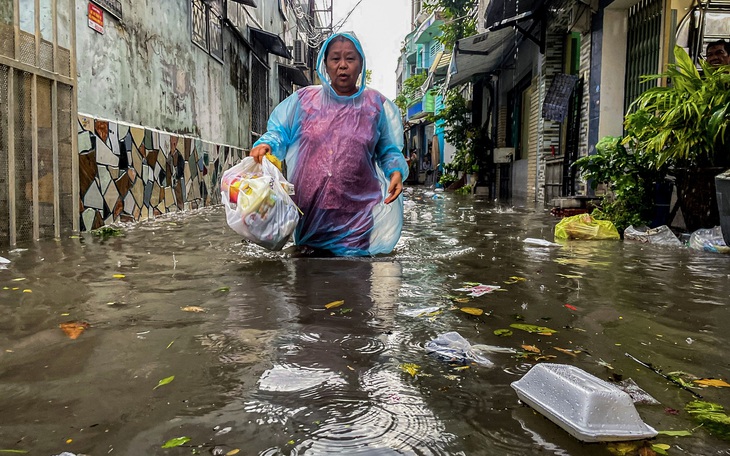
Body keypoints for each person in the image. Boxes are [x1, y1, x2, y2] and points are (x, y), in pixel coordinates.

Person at [249, 32, 408, 256]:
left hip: (358, 214)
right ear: (325, 64)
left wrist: (396, 173)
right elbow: (279, 132)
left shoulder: (375, 106)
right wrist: (267, 144)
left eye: (350, 59)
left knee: (355, 280)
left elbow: (388, 150)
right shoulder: (304, 101)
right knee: (306, 281)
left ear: (361, 64)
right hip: (310, 211)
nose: (342, 66)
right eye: (335, 59)